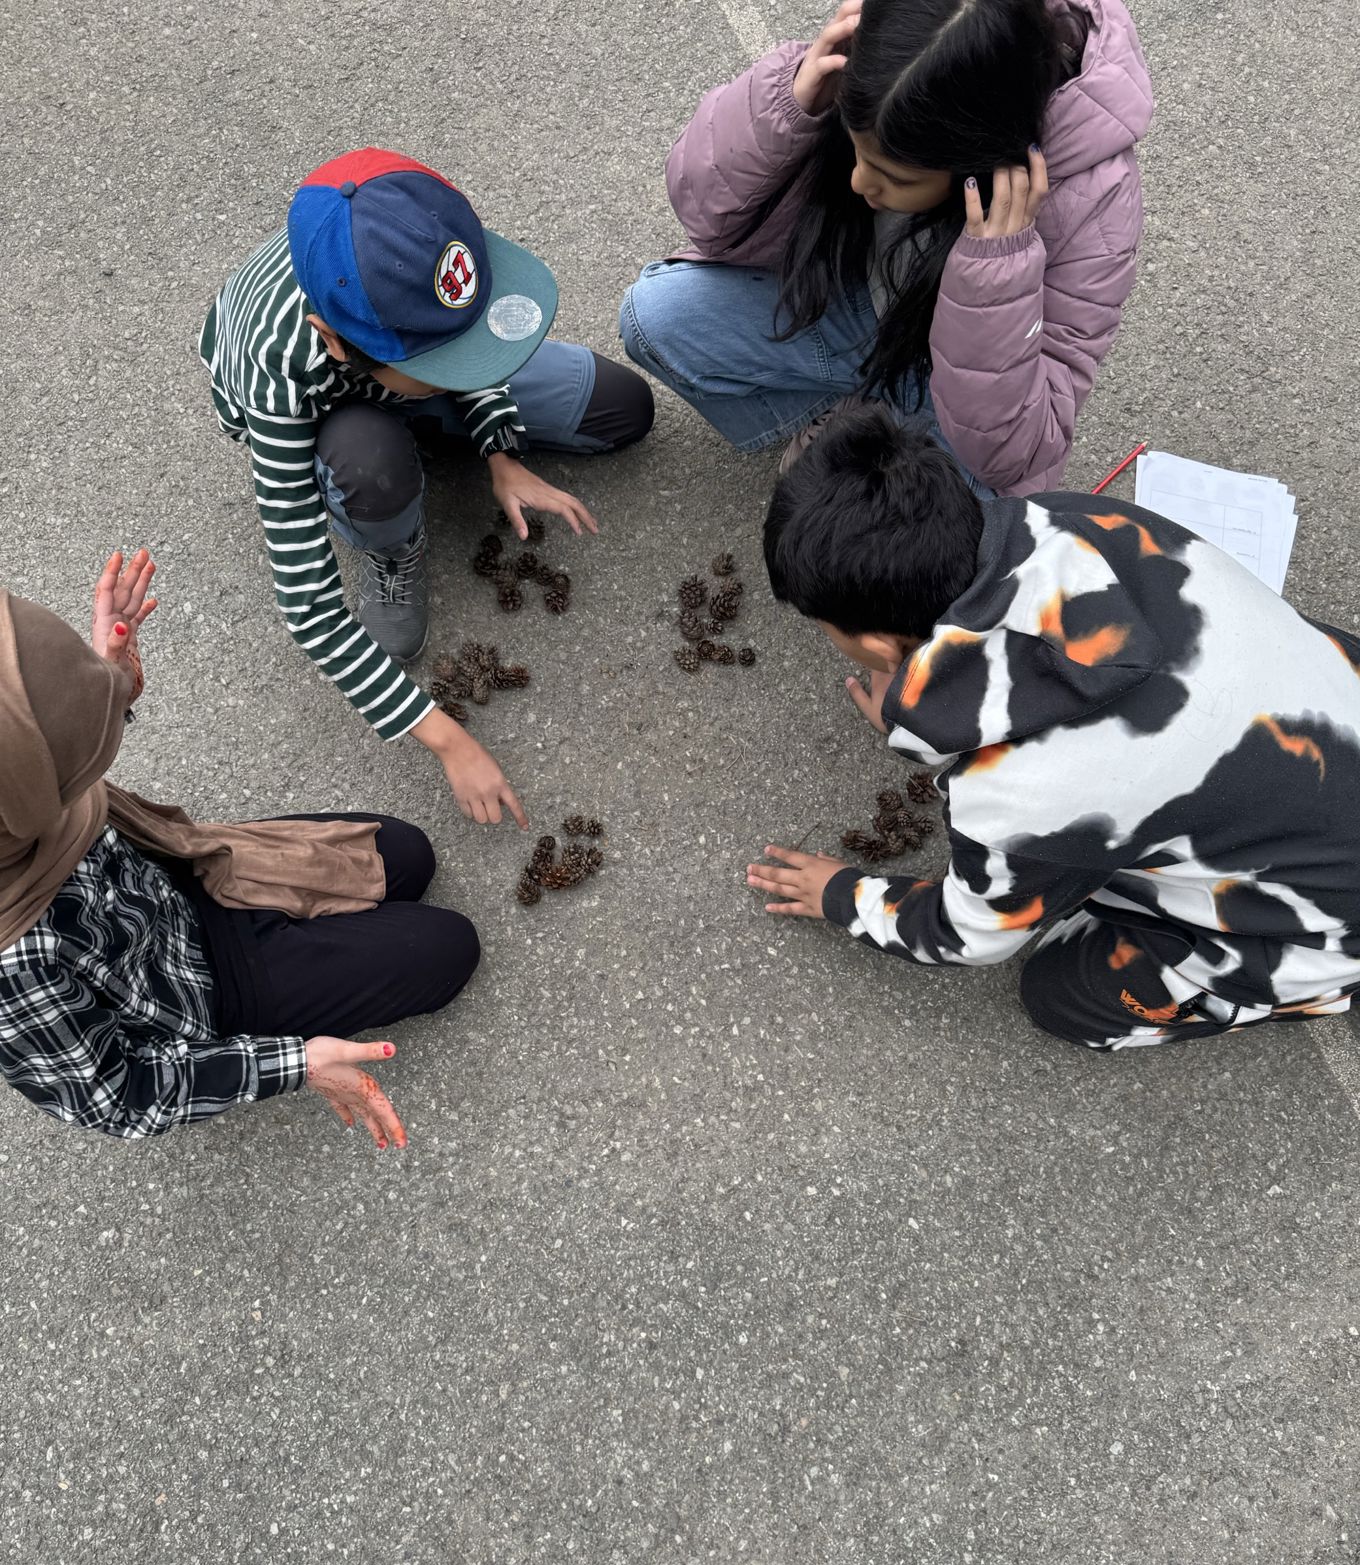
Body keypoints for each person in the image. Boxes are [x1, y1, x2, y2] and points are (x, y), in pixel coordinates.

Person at [747, 405, 1360, 1050]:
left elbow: (967, 934)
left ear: (876, 646)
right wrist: (916, 698)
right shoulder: (1077, 518)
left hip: (1332, 916)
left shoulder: (1015, 800)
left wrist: (842, 895)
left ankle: (1309, 987)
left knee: (1061, 992)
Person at [201, 147, 655, 828]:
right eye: (444, 364)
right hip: (332, 414)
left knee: (623, 408)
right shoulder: (276, 377)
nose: (463, 364)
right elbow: (308, 606)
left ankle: (433, 419)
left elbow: (472, 344)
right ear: (335, 342)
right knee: (370, 462)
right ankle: (390, 539)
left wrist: (499, 449)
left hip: (391, 370)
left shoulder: (416, 233)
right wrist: (448, 739)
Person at [0, 552, 480, 1141]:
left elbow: (42, 748)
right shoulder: (12, 970)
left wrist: (101, 683)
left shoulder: (14, 801)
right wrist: (293, 1063)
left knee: (409, 853)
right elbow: (119, 1096)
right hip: (208, 995)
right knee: (449, 947)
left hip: (191, 870)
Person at [620, 0, 1151, 496]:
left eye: (895, 177)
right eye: (855, 149)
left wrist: (997, 275)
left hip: (958, 384)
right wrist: (786, 105)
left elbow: (1012, 454)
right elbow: (709, 223)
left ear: (979, 161)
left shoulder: (1094, 200)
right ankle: (847, 408)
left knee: (949, 530)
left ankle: (881, 418)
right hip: (854, 307)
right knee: (655, 317)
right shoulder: (890, 65)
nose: (859, 182)